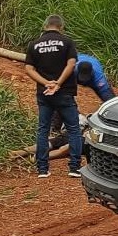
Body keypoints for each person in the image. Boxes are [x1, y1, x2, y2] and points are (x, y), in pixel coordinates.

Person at [24, 14, 83, 178]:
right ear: (61, 27)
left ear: (45, 26)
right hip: (64, 93)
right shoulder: (67, 42)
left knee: (43, 129)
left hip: (44, 94)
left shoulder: (34, 45)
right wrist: (58, 84)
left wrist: (46, 83)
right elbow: (71, 64)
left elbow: (29, 69)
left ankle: (42, 169)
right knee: (73, 130)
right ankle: (74, 167)